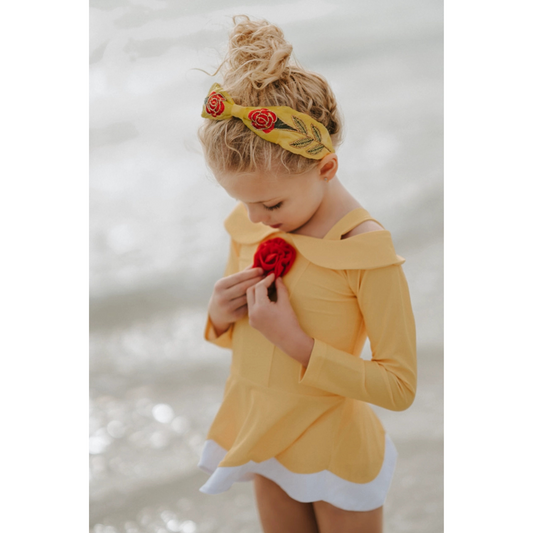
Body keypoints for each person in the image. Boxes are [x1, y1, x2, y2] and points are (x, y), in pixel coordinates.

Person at [196, 15, 416, 533]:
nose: (256, 219)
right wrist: (219, 314)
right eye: (243, 202)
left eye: (271, 203)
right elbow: (245, 345)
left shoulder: (365, 251)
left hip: (335, 448)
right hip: (264, 437)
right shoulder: (251, 221)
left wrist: (297, 344)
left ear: (326, 168)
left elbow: (399, 387)